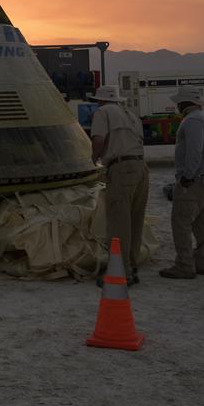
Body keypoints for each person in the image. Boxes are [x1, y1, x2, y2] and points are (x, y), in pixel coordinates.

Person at [88, 84, 149, 285]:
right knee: (134, 220)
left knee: (118, 222)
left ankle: (119, 272)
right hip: (141, 168)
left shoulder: (102, 112)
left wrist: (94, 158)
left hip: (121, 169)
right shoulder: (131, 115)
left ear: (100, 100)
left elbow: (98, 139)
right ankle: (131, 266)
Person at [160, 86, 204, 280]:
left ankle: (185, 265)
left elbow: (194, 151)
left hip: (192, 182)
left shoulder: (192, 120)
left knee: (181, 223)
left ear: (185, 102)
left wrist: (188, 176)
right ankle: (202, 263)